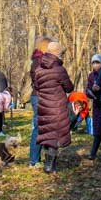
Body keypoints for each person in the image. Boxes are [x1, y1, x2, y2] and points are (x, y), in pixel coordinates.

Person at [32, 40, 73, 173]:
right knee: (55, 135)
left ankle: (49, 164)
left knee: (47, 134)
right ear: (57, 53)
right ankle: (49, 165)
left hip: (43, 105)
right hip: (57, 106)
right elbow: (69, 88)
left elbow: (36, 86)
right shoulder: (59, 70)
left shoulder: (38, 69)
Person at [28, 37, 50, 167]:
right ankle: (34, 160)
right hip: (40, 97)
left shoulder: (40, 60)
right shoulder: (39, 61)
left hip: (41, 96)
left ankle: (37, 158)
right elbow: (39, 81)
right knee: (39, 128)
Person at [84, 54, 101, 160]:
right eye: (93, 63)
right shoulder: (91, 76)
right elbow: (87, 90)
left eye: (98, 63)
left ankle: (95, 153)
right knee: (97, 129)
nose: (95, 65)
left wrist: (100, 88)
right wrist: (91, 90)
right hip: (96, 105)